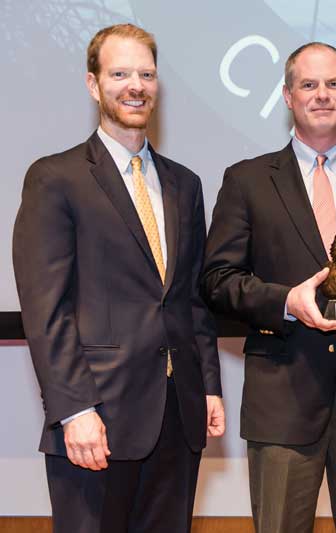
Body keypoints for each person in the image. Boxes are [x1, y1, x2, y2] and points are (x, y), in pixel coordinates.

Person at [201, 42, 336, 533]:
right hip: (282, 406)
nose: (321, 95)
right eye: (308, 84)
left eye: (333, 84)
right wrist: (285, 302)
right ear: (287, 96)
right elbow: (217, 280)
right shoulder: (247, 181)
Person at [12, 23, 225, 533]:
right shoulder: (55, 177)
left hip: (179, 415)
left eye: (146, 74)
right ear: (93, 84)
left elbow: (190, 298)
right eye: (121, 73)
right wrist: (74, 410)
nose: (136, 85)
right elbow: (47, 310)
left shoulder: (184, 183)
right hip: (97, 419)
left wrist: (210, 386)